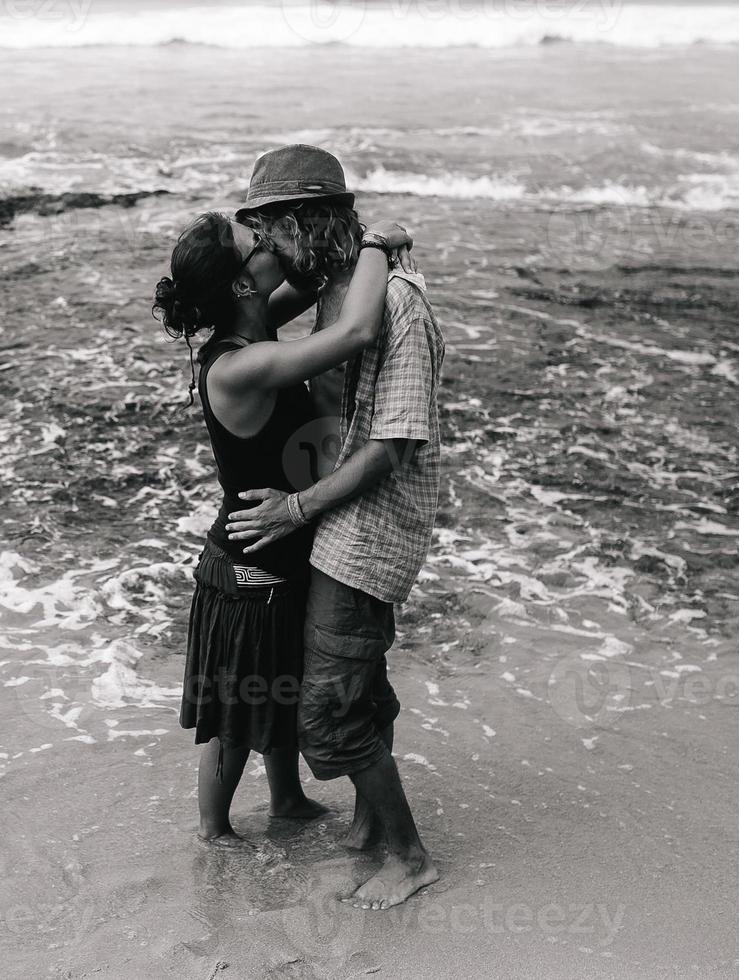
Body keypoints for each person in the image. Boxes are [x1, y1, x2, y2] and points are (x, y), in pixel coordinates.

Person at [153, 208, 412, 846]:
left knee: (278, 684)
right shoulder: (236, 365)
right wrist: (380, 243)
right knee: (238, 711)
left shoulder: (256, 325)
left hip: (277, 543)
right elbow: (353, 332)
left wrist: (336, 240)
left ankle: (288, 801)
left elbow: (318, 275)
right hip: (247, 560)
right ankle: (214, 833)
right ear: (242, 283)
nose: (272, 243)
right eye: (258, 242)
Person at [230, 144, 445, 909]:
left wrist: (294, 507)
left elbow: (392, 446)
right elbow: (247, 321)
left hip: (368, 527)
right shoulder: (331, 284)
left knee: (329, 706)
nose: (262, 251)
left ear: (297, 222)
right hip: (336, 519)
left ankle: (411, 855)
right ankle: (368, 827)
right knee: (358, 682)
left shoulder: (395, 304)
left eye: (267, 233)